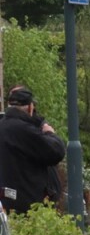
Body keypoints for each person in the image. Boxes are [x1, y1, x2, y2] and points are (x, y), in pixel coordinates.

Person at [0, 86, 67, 215]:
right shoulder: (24, 130)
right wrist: (50, 134)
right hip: (29, 205)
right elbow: (56, 152)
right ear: (30, 107)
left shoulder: (4, 126)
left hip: (9, 201)